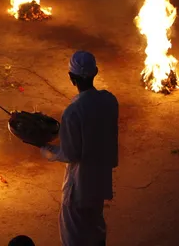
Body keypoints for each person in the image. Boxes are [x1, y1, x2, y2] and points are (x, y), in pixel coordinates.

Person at [40, 51, 119, 246]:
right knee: (96, 228)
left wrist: (43, 146)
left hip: (79, 186)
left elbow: (70, 153)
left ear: (71, 78)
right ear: (96, 73)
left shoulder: (72, 112)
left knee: (74, 237)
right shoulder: (109, 101)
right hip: (99, 181)